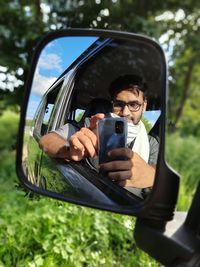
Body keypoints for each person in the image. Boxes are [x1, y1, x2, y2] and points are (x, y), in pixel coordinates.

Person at [39, 75, 159, 195]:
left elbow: (158, 172)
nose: (125, 113)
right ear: (112, 104)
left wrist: (151, 175)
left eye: (133, 105)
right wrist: (69, 150)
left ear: (144, 106)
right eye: (119, 104)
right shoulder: (93, 126)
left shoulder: (151, 143)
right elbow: (46, 140)